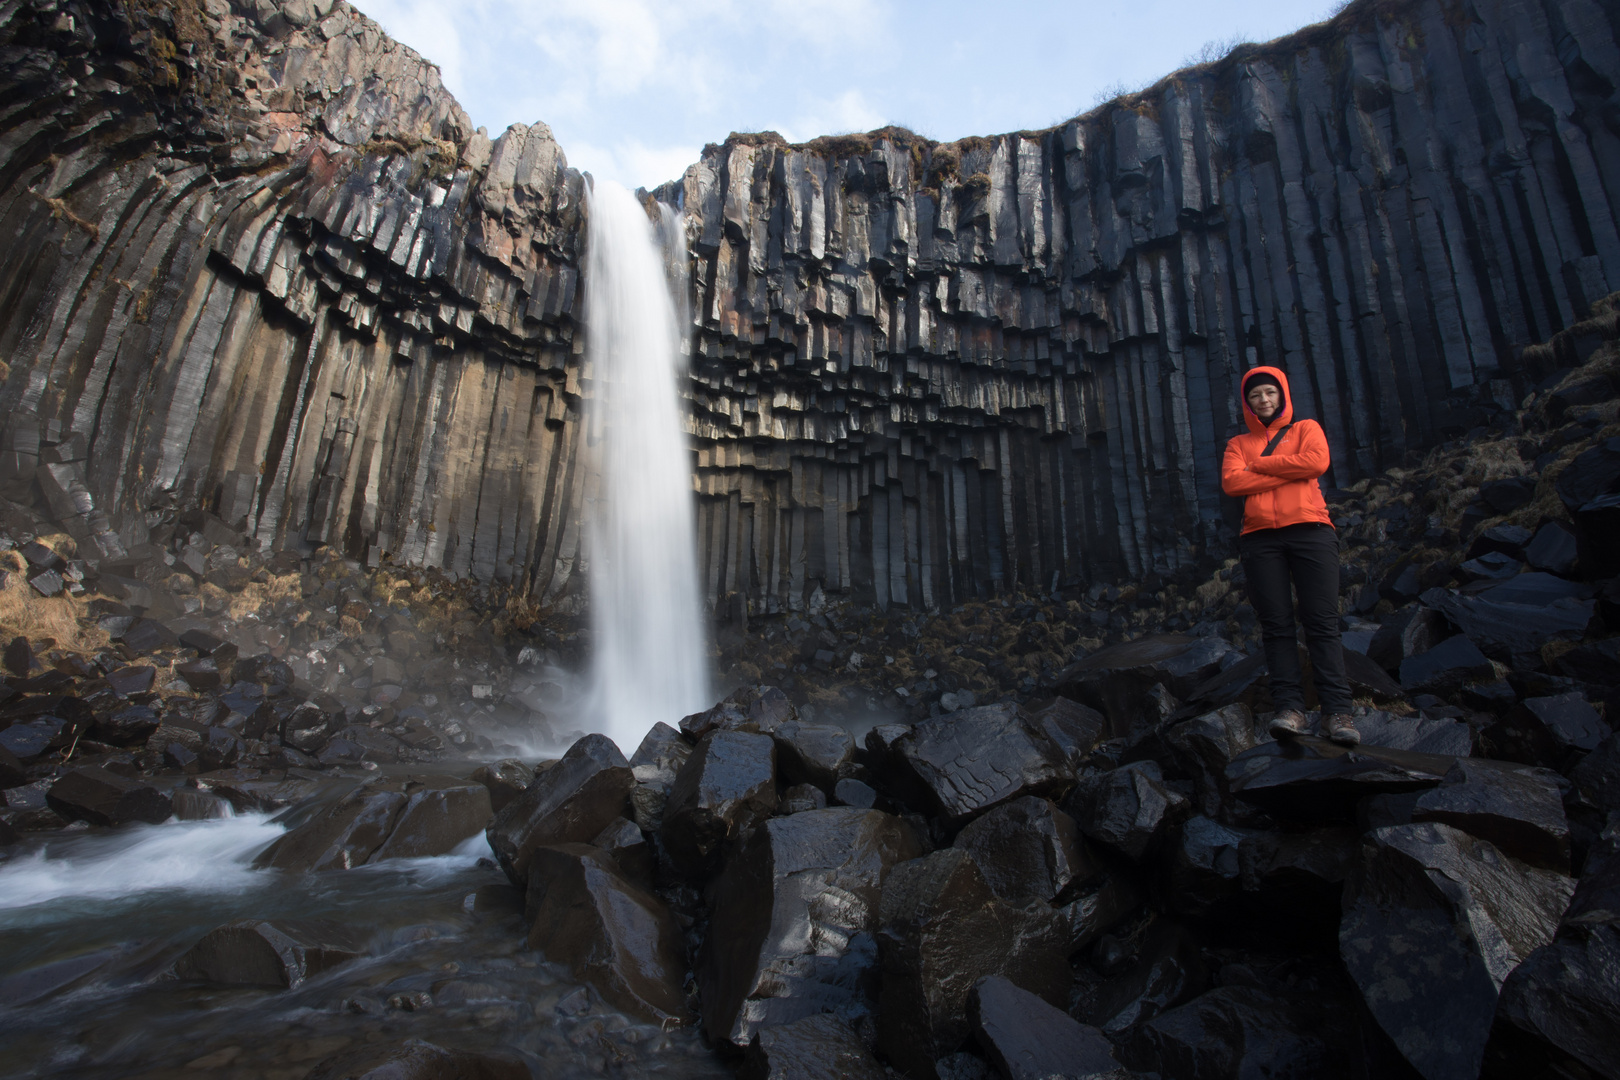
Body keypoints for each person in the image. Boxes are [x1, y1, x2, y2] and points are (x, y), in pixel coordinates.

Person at [1220, 366, 1358, 745]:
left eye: (1269, 393)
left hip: (1312, 531)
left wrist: (1261, 464)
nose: (1263, 400)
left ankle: (1337, 713)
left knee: (1322, 623)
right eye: (1255, 396)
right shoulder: (1237, 444)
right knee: (1277, 627)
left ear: (1281, 395)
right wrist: (1288, 469)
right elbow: (1233, 482)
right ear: (1247, 403)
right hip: (1260, 539)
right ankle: (1289, 709)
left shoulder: (1306, 429)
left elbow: (1316, 462)